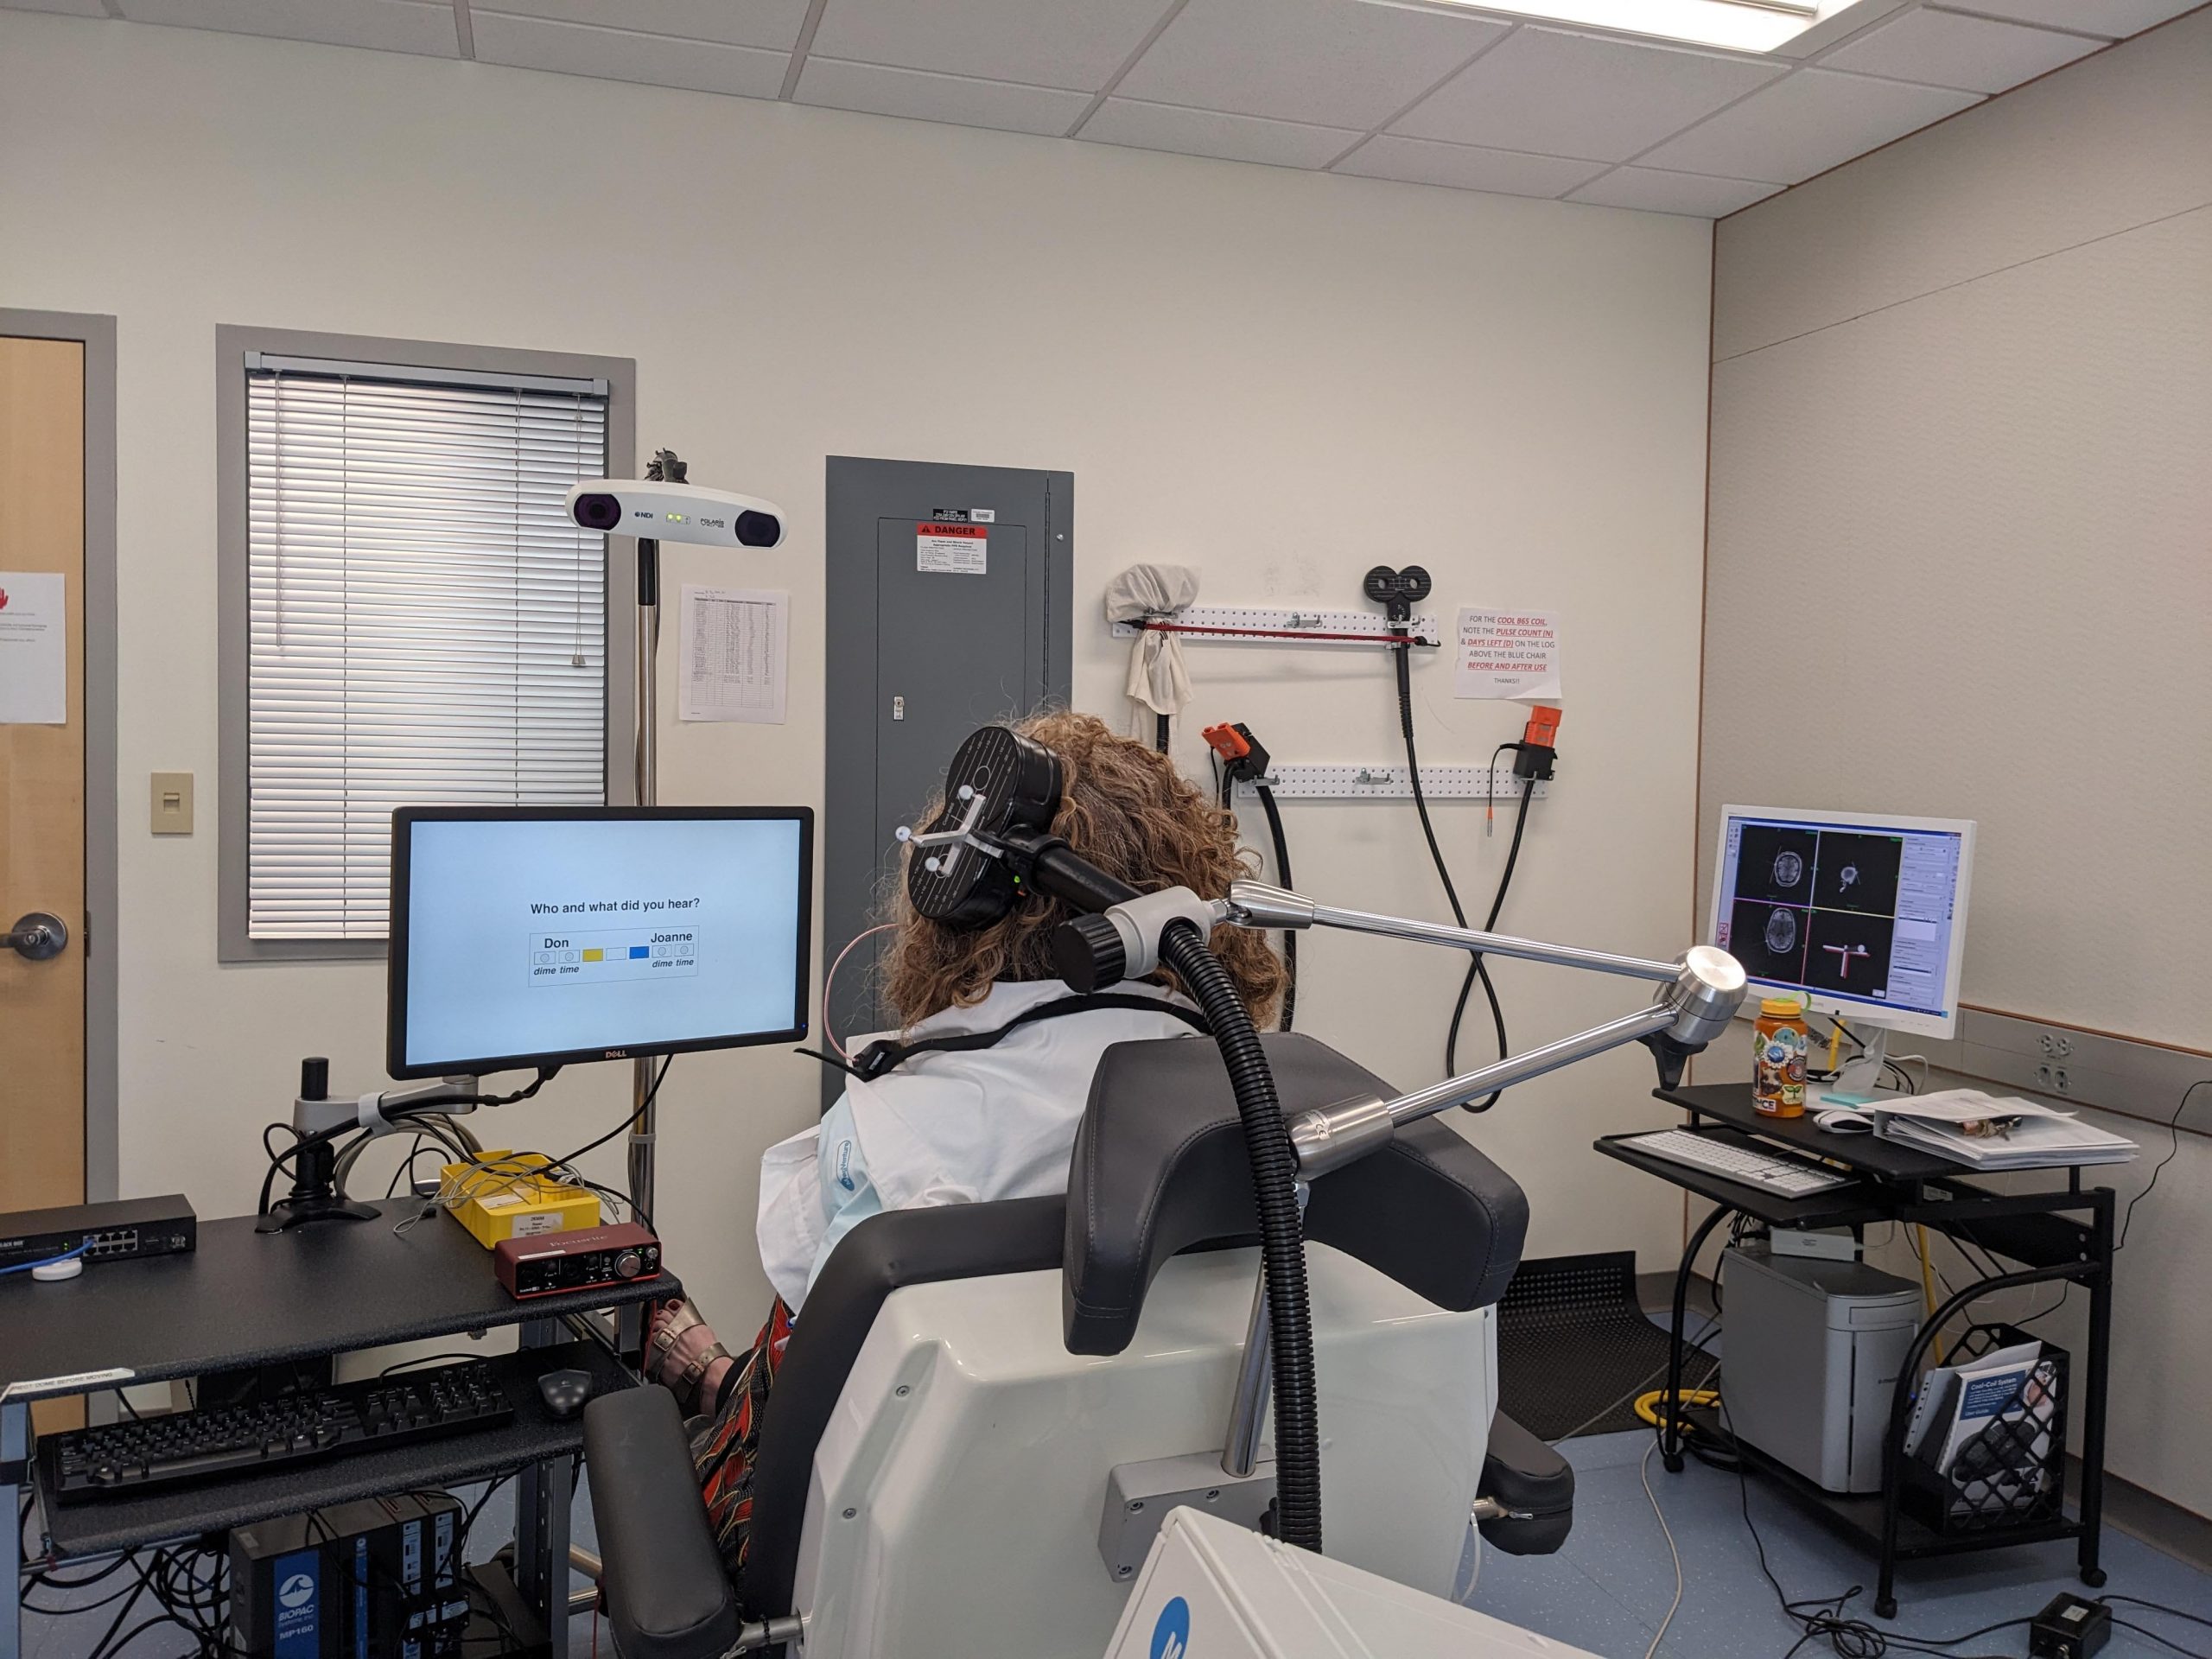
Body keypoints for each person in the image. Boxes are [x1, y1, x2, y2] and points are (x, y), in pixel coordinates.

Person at [644, 709, 1285, 1577]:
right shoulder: (1276, 1105)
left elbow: (830, 1405)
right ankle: (725, 1381)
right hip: (1176, 1547)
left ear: (960, 898)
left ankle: (721, 1384)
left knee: (743, 1386)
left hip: (913, 1557)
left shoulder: (887, 1138)